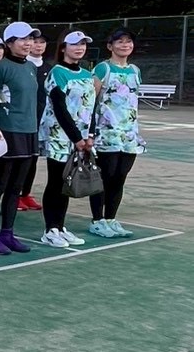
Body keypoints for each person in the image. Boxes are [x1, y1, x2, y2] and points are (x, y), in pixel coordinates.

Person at [0, 20, 42, 255]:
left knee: (16, 187)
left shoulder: (31, 67)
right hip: (5, 133)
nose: (28, 43)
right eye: (22, 39)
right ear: (9, 43)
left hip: (29, 132)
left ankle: (8, 232)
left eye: (30, 39)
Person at [37, 31, 94, 248]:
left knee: (67, 182)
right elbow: (60, 109)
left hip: (79, 138)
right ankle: (50, 229)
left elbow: (91, 107)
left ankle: (60, 227)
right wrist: (76, 137)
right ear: (63, 48)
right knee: (56, 181)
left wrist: (90, 135)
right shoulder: (57, 73)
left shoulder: (86, 74)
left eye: (83, 44)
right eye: (74, 44)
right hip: (59, 136)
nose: (79, 48)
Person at [90, 27, 145, 237]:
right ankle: (97, 220)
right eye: (119, 41)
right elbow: (91, 100)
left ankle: (111, 219)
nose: (125, 45)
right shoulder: (103, 68)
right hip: (106, 132)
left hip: (129, 133)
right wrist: (90, 131)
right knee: (105, 176)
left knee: (120, 177)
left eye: (128, 41)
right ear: (110, 46)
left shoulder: (135, 70)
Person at [17, 32, 49, 213]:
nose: (38, 45)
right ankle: (14, 194)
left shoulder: (50, 68)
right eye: (34, 41)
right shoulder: (23, 66)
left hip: (41, 121)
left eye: (42, 42)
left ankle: (25, 193)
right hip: (22, 120)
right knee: (20, 159)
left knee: (33, 159)